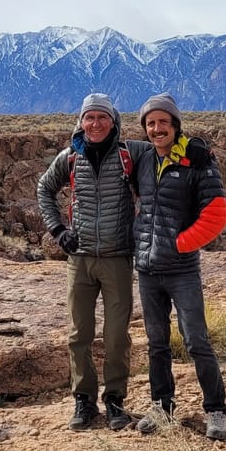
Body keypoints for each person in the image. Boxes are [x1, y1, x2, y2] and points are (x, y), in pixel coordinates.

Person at [37, 93, 146, 431]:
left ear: (113, 121)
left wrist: (197, 150)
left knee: (116, 335)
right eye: (89, 118)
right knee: (78, 334)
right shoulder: (70, 158)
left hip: (116, 259)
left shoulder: (131, 154)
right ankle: (83, 401)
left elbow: (166, 147)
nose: (95, 124)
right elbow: (44, 189)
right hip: (80, 260)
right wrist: (58, 229)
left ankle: (115, 400)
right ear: (81, 122)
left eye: (102, 118)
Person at [132, 92, 226, 440]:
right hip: (146, 269)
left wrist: (179, 244)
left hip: (182, 270)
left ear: (175, 125)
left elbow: (217, 214)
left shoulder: (196, 159)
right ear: (145, 129)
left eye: (163, 122)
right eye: (151, 123)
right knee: (156, 342)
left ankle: (216, 410)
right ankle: (161, 406)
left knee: (196, 341)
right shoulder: (143, 159)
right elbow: (106, 141)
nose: (157, 129)